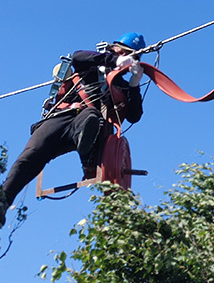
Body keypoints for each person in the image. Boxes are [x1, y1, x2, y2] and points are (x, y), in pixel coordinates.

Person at [0, 33, 146, 227]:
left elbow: (134, 116)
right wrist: (114, 60)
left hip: (89, 124)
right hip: (61, 117)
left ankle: (86, 151)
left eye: (133, 57)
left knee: (91, 119)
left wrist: (135, 84)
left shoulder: (122, 86)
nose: (129, 59)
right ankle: (3, 201)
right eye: (126, 53)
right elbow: (78, 56)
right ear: (114, 49)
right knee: (31, 156)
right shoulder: (92, 63)